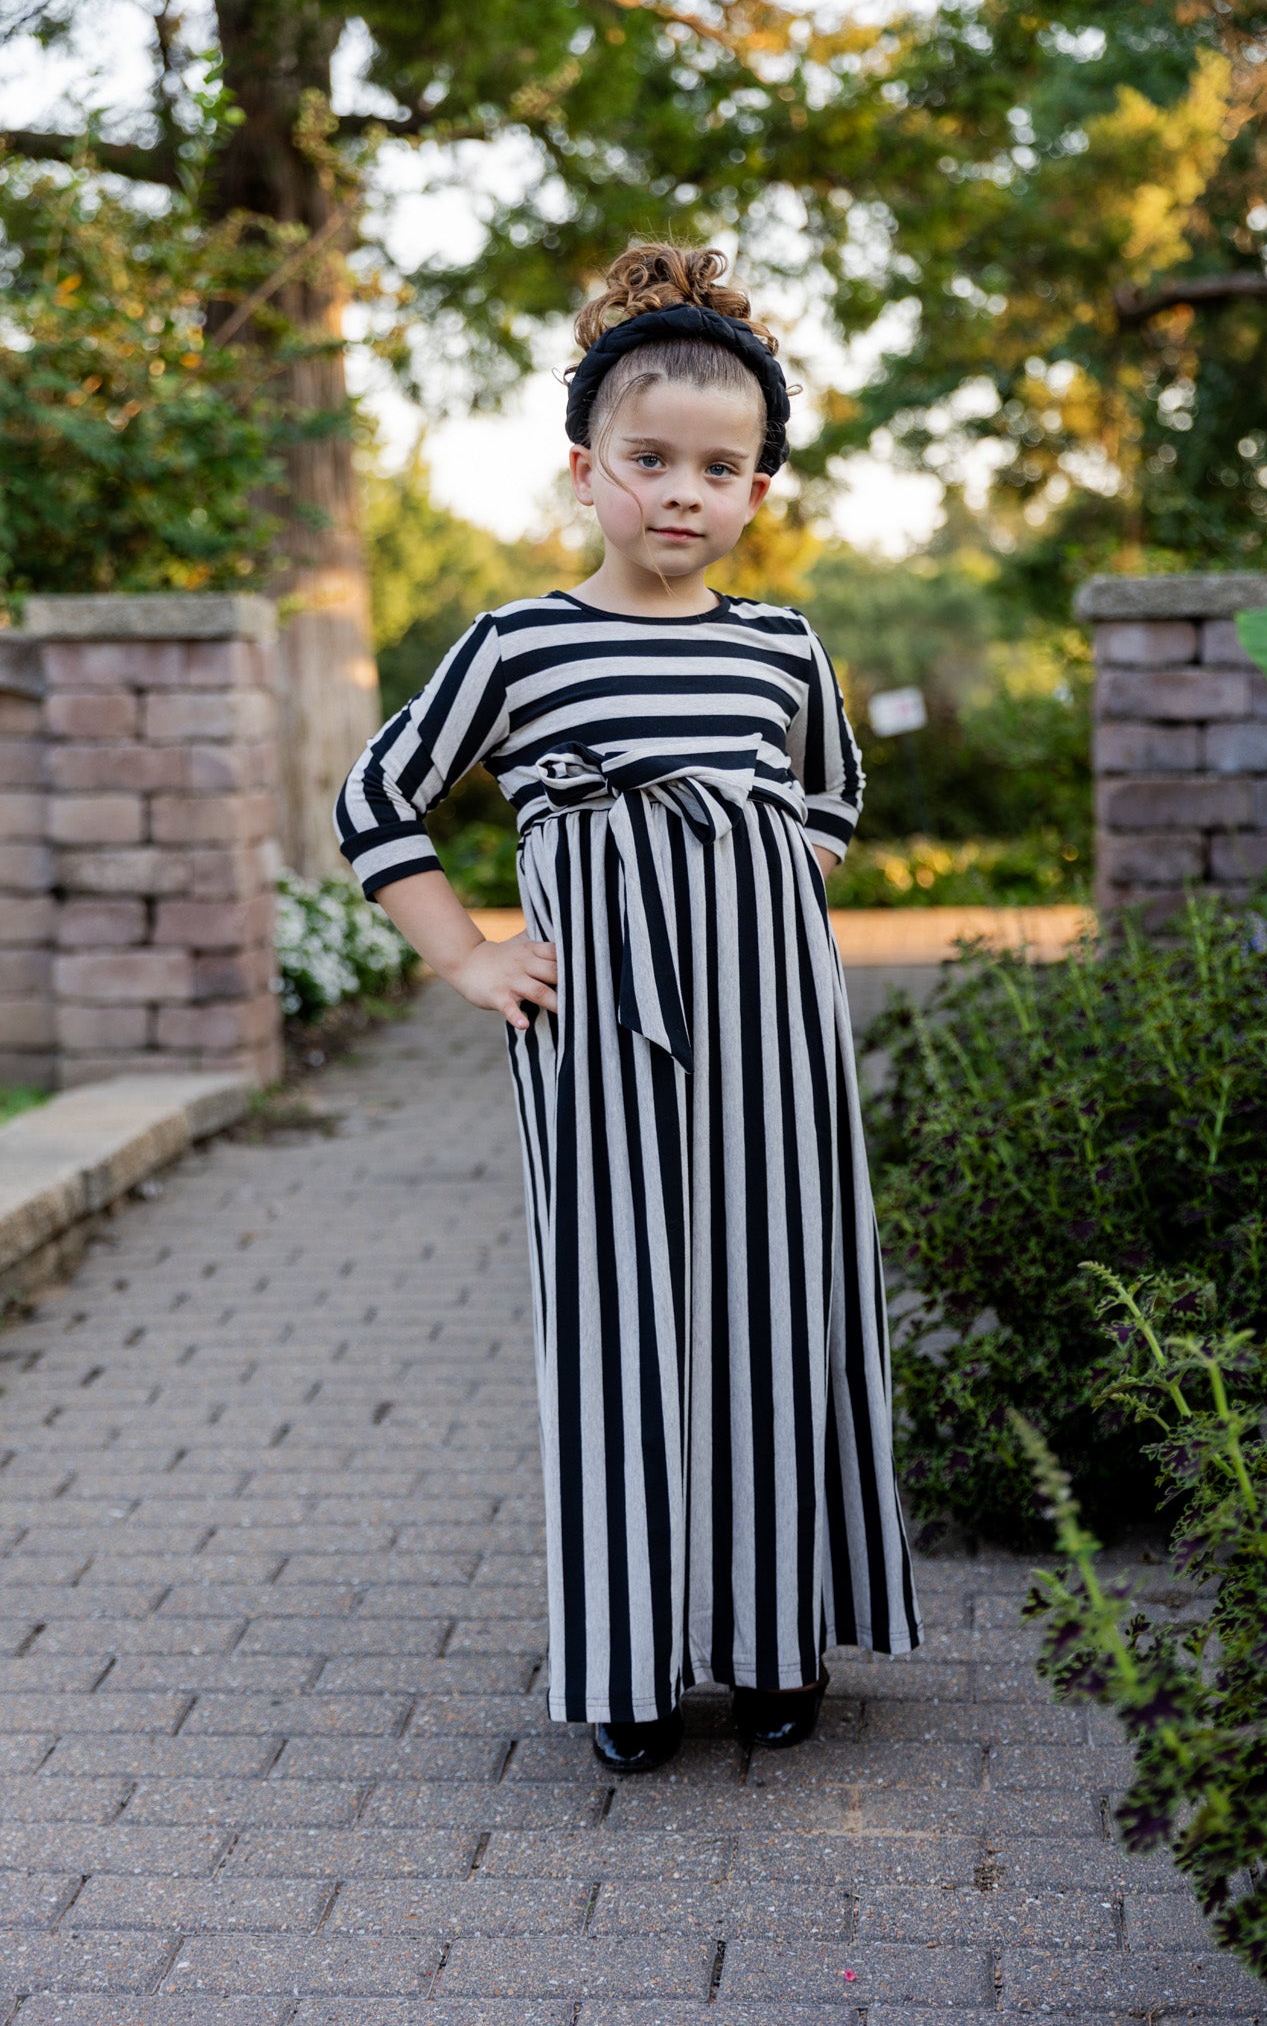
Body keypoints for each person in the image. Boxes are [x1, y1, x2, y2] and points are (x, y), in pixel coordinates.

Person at [335, 243, 920, 1773]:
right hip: (595, 1049)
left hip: (774, 1042)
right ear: (584, 470)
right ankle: (629, 1662)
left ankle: (778, 1641)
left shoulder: (780, 645)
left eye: (719, 470)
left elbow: (829, 796)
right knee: (618, 1332)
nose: (682, 493)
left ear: (756, 494)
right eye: (649, 460)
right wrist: (464, 954)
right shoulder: (520, 643)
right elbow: (377, 797)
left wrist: (750, 886)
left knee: (777, 1315)